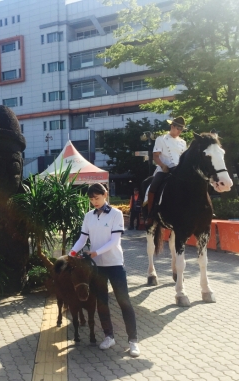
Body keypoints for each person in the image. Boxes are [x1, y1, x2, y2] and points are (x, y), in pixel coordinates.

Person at [69, 183, 140, 357]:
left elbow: (115, 241)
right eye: (92, 199)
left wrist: (95, 252)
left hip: (115, 264)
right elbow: (82, 238)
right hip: (97, 267)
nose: (95, 202)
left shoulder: (116, 214)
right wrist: (71, 252)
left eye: (97, 198)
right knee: (101, 303)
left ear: (105, 195)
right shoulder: (88, 216)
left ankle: (133, 341)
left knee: (124, 302)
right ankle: (109, 336)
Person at [146, 116, 188, 226]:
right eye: (178, 128)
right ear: (172, 126)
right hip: (165, 169)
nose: (179, 131)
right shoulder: (161, 139)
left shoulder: (183, 142)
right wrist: (163, 165)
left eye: (181, 129)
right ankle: (150, 213)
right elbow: (155, 156)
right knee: (153, 185)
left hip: (179, 171)